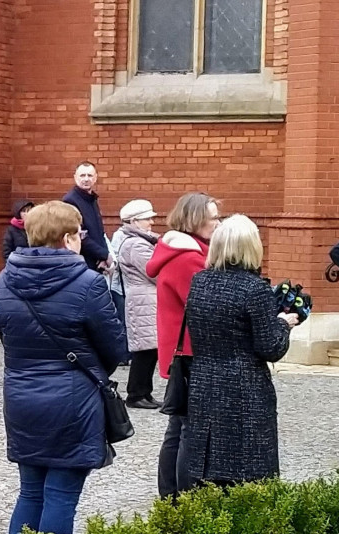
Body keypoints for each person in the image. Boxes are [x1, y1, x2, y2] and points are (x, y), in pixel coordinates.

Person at [0, 200, 127, 534]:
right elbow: (115, 348)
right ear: (68, 239)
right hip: (73, 400)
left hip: (21, 396)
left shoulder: (6, 278)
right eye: (80, 233)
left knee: (31, 490)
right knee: (61, 493)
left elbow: (6, 333)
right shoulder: (88, 282)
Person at [186, 215, 297, 487]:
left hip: (203, 382)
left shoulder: (200, 281)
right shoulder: (254, 289)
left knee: (209, 470)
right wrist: (284, 323)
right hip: (245, 388)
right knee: (249, 473)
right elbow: (271, 347)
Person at [146, 192, 221, 499]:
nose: (218, 223)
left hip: (184, 350)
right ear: (195, 219)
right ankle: (177, 496)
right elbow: (208, 306)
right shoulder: (188, 258)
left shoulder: (187, 252)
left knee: (180, 427)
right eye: (213, 217)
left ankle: (172, 495)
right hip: (190, 352)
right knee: (185, 430)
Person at [116, 200, 160, 409]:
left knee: (150, 349)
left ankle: (144, 392)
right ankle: (136, 394)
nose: (152, 222)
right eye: (147, 219)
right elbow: (154, 272)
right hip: (143, 300)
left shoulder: (140, 241)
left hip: (146, 300)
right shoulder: (136, 244)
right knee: (144, 351)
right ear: (134, 221)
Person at [63, 161, 110, 272]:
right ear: (75, 177)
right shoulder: (70, 201)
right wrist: (104, 255)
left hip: (97, 262)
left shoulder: (92, 199)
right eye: (82, 175)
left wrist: (103, 256)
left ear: (95, 178)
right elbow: (79, 235)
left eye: (89, 175)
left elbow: (99, 232)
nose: (86, 179)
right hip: (82, 263)